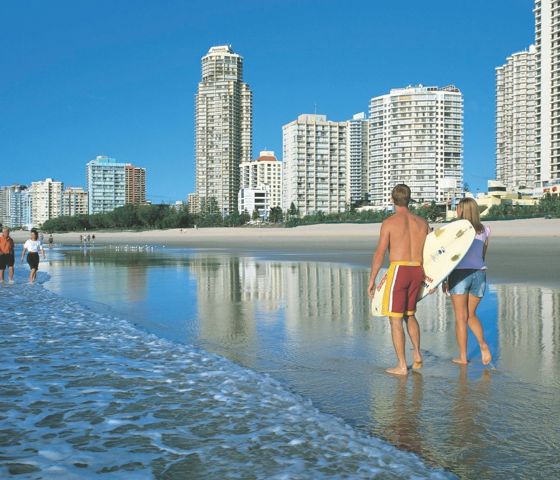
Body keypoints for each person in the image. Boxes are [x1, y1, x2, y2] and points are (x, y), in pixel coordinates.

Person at [368, 184, 430, 376]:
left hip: (399, 270)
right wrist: (432, 278)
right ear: (409, 199)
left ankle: (402, 366)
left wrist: (372, 279)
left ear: (392, 199)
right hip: (417, 270)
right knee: (409, 314)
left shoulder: (389, 222)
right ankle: (417, 353)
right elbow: (430, 252)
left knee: (395, 320)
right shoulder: (422, 222)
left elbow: (380, 253)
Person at [443, 197, 492, 366]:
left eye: (458, 208)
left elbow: (450, 258)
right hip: (480, 274)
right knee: (471, 315)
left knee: (460, 317)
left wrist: (444, 279)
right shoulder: (485, 230)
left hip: (460, 274)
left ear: (463, 210)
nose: (456, 210)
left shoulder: (457, 231)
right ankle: (483, 345)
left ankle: (463, 357)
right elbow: (482, 256)